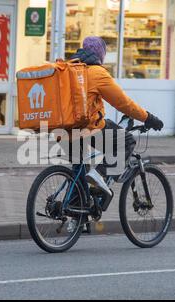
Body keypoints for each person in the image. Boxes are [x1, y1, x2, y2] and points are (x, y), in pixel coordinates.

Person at [69, 36, 163, 193]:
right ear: (100, 54)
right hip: (88, 127)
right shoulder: (97, 73)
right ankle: (99, 174)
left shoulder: (70, 69)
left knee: (79, 172)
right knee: (125, 141)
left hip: (65, 128)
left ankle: (75, 209)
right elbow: (123, 103)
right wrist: (148, 118)